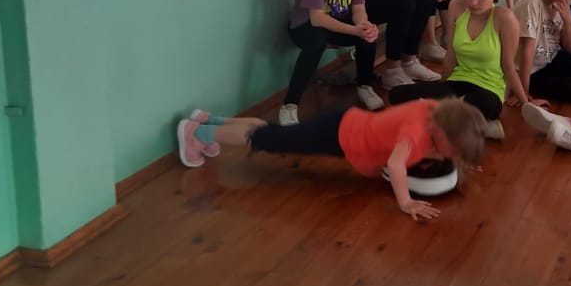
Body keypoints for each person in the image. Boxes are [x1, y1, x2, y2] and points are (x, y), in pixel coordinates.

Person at [175, 97, 486, 223]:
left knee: (275, 133)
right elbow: (394, 165)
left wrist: (463, 156)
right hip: (339, 134)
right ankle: (197, 133)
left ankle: (210, 121)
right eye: (455, 150)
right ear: (441, 133)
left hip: (347, 123)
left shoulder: (435, 110)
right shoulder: (415, 135)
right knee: (268, 139)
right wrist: (406, 203)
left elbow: (455, 127)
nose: (452, 156)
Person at [389, 0, 527, 140]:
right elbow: (451, 55)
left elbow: (508, 66)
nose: (473, 2)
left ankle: (440, 117)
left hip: (488, 90)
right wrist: (442, 88)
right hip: (458, 83)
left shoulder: (505, 18)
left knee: (485, 103)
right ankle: (472, 123)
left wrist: (526, 103)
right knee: (398, 93)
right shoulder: (456, 6)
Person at [281, 0, 383, 126]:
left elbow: (358, 9)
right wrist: (354, 30)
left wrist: (364, 26)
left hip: (335, 21)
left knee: (367, 34)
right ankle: (290, 104)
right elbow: (317, 18)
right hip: (304, 26)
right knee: (317, 41)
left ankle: (364, 86)